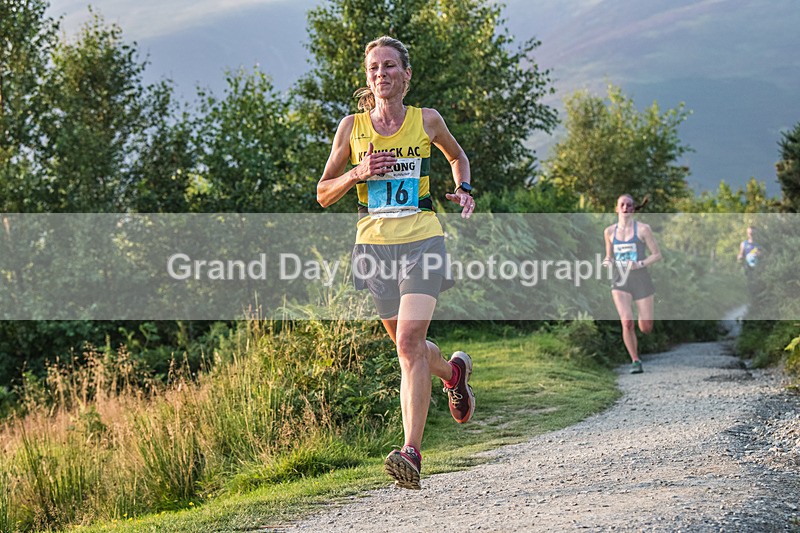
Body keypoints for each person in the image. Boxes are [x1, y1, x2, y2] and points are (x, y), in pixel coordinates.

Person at [316, 36, 475, 490]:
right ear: (368, 78)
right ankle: (454, 374)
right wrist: (357, 173)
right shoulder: (351, 128)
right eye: (373, 68)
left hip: (423, 240)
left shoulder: (427, 120)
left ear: (406, 75)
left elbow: (456, 156)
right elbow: (323, 194)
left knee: (408, 343)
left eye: (389, 66)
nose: (381, 74)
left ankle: (411, 452)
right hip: (373, 247)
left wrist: (463, 187)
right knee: (412, 352)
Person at [603, 194, 662, 374]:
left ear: (634, 208)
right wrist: (606, 262)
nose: (625, 208)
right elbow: (609, 255)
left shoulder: (643, 229)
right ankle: (635, 360)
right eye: (622, 204)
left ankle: (641, 319)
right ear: (616, 208)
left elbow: (657, 255)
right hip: (620, 278)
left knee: (646, 327)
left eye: (629, 205)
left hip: (641, 278)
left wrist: (640, 264)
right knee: (627, 321)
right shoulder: (609, 232)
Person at [737, 225, 761, 298]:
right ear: (747, 233)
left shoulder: (759, 243)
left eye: (753, 233)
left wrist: (759, 254)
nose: (751, 235)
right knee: (749, 285)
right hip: (748, 269)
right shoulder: (744, 244)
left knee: (758, 285)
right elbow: (740, 255)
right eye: (750, 233)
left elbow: (765, 255)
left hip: (759, 269)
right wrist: (740, 257)